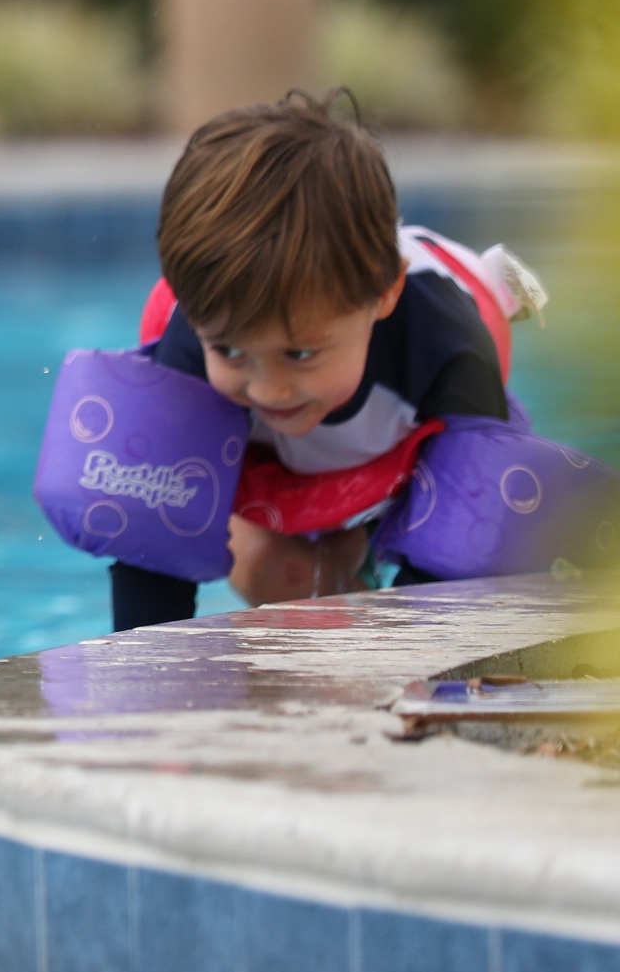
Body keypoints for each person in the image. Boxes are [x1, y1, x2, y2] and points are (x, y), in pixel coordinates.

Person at [50, 95, 561, 630]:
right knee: (279, 579)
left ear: (384, 294)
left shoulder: (446, 347)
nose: (269, 389)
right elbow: (151, 555)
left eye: (299, 353)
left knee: (471, 556)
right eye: (229, 350)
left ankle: (361, 540)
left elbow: (460, 561)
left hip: (417, 449)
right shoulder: (189, 354)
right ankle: (339, 553)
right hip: (280, 466)